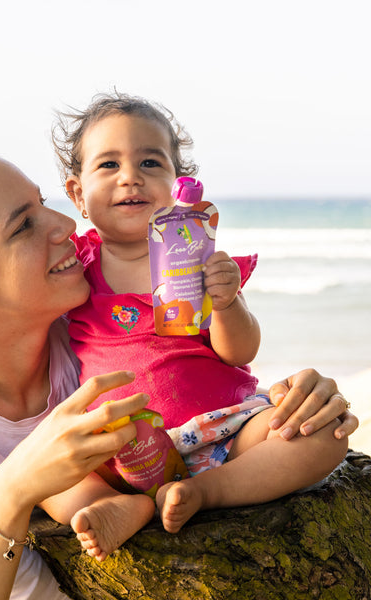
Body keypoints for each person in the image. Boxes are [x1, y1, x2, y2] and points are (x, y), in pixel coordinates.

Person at [0, 134, 356, 599]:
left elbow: (197, 373)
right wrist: (12, 490)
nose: (66, 224)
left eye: (43, 203)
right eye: (23, 225)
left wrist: (298, 397)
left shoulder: (82, 327)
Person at [48, 92, 351, 559]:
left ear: (177, 183)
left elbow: (240, 352)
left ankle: (208, 491)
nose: (131, 176)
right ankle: (116, 507)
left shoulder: (195, 256)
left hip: (226, 430)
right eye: (108, 165)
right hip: (123, 450)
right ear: (76, 195)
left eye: (150, 162)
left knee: (321, 435)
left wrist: (226, 303)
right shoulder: (75, 270)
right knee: (43, 473)